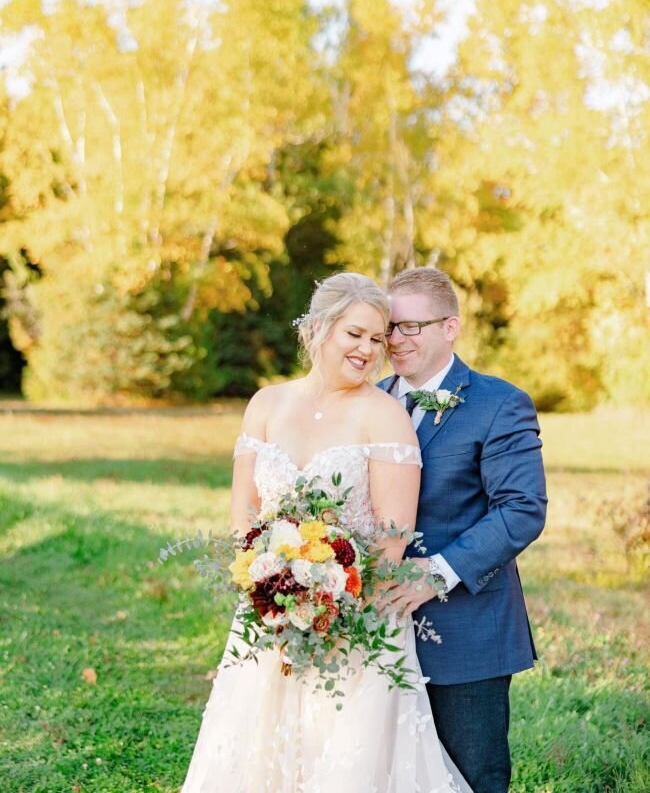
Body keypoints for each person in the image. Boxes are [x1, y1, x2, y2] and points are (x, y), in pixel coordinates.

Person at [180, 272, 471, 793]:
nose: (368, 350)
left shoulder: (383, 416)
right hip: (269, 615)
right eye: (354, 334)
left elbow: (393, 533)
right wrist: (271, 586)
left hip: (355, 621)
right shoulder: (265, 404)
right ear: (318, 328)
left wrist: (330, 603)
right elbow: (244, 511)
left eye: (378, 339)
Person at [379, 266, 547, 793]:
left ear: (450, 327)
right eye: (390, 327)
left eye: (412, 327)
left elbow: (522, 508)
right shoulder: (370, 401)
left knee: (473, 776)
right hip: (376, 629)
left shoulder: (499, 403)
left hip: (468, 629)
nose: (395, 340)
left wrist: (435, 572)